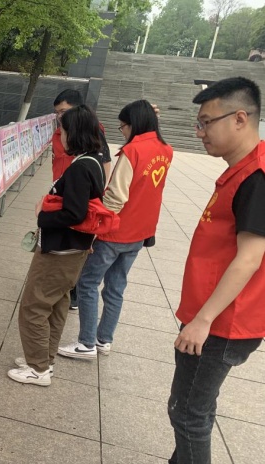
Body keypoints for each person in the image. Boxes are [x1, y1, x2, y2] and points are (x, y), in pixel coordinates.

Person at [129, 77, 265, 464]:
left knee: (190, 409)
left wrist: (204, 319)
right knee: (187, 404)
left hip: (224, 322)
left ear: (240, 118)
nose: (200, 131)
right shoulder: (240, 171)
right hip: (211, 315)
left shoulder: (257, 178)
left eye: (207, 122)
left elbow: (250, 257)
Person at [58, 100, 173, 360]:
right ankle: (104, 339)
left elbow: (116, 197)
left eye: (123, 126)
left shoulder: (132, 151)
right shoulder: (166, 149)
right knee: (116, 287)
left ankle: (86, 343)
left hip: (115, 232)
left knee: (87, 283)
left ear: (134, 124)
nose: (122, 131)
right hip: (141, 231)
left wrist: (95, 230)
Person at [8, 105, 106, 387]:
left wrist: (42, 216)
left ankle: (38, 368)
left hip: (61, 250)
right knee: (57, 304)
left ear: (74, 133)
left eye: (62, 130)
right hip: (75, 249)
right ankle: (44, 359)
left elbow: (74, 213)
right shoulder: (93, 161)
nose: (60, 136)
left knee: (34, 306)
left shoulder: (80, 167)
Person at [51, 89, 112, 310]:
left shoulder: (91, 131)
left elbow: (104, 162)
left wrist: (97, 194)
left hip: (78, 194)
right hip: (62, 191)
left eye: (64, 111)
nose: (60, 116)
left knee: (76, 243)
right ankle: (61, 288)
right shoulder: (60, 132)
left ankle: (72, 292)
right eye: (57, 112)